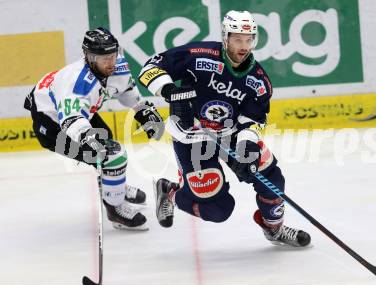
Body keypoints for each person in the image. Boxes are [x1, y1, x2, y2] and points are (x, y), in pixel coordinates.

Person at [138, 10, 311, 246]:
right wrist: (167, 89)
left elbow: (253, 119)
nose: (243, 46)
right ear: (225, 37)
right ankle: (170, 192)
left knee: (271, 178)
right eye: (238, 39)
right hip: (191, 136)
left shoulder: (258, 80)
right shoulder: (198, 55)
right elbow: (151, 67)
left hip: (231, 135)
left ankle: (274, 229)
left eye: (249, 39)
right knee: (219, 210)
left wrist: (247, 147)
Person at [24, 27, 164, 231]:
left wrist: (143, 110)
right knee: (110, 155)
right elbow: (70, 120)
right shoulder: (75, 83)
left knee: (107, 141)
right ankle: (115, 209)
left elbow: (126, 91)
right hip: (52, 126)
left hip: (83, 112)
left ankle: (112, 185)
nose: (110, 62)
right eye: (103, 57)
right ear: (89, 57)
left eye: (113, 55)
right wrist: (87, 136)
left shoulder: (119, 66)